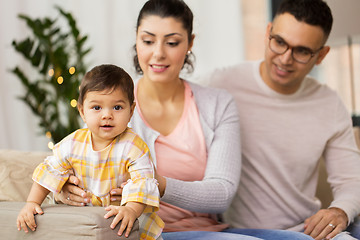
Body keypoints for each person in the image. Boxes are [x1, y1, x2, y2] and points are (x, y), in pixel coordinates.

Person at [54, 0, 314, 239]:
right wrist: (63, 191)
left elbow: (221, 194)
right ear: (136, 40)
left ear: (190, 43)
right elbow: (78, 165)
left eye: (172, 42)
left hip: (211, 232)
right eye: (148, 41)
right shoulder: (110, 105)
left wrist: (157, 182)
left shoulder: (217, 105)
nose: (158, 54)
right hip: (143, 231)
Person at [206, 0, 360, 240]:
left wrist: (340, 211)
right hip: (244, 233)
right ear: (268, 33)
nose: (285, 59)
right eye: (279, 42)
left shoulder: (329, 103)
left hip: (308, 227)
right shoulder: (221, 85)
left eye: (301, 51)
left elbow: (351, 180)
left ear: (321, 55)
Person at [16, 64, 164, 240]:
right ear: (82, 111)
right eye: (97, 108)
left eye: (117, 107)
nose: (107, 115)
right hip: (87, 225)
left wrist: (131, 209)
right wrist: (32, 203)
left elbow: (143, 183)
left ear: (131, 111)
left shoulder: (134, 146)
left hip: (128, 224)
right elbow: (49, 172)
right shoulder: (73, 144)